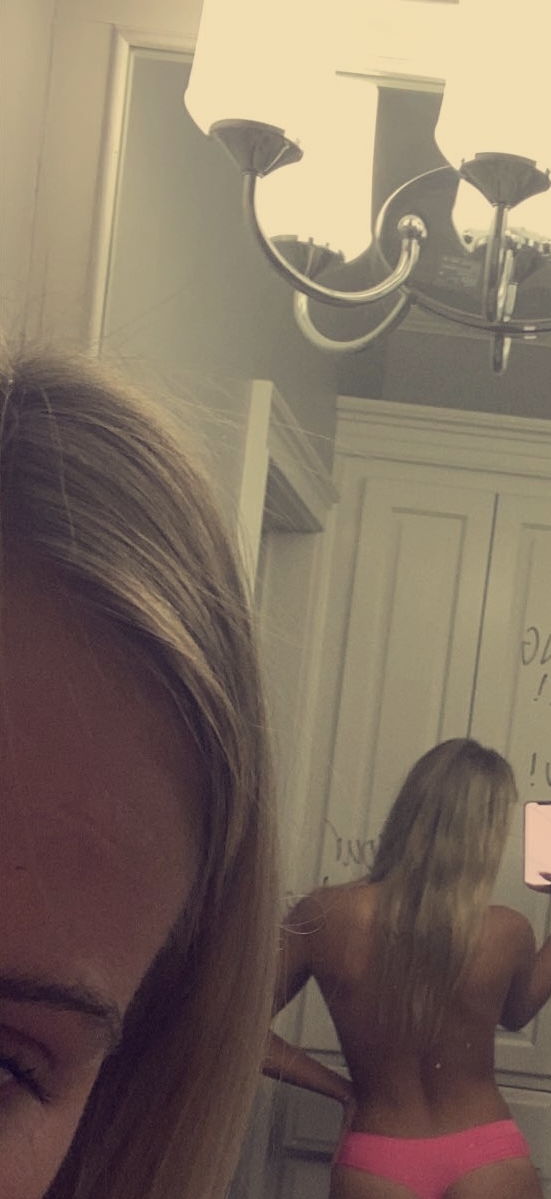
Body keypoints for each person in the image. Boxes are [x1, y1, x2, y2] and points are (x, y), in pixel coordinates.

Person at [0, 346, 278, 1199]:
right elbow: (522, 1007)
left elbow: (262, 1030)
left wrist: (348, 1092)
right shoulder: (505, 932)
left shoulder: (344, 920)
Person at [265, 738, 551, 1198]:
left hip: (378, 1156)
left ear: (409, 812)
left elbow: (238, 1033)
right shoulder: (507, 931)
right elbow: (517, 1015)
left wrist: (343, 1090)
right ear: (487, 832)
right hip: (487, 1155)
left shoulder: (325, 915)